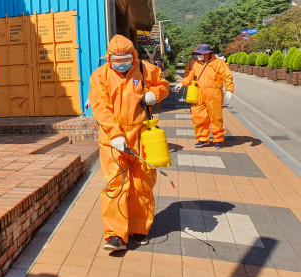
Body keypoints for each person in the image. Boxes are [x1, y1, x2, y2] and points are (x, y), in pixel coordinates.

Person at [89, 34, 170, 252]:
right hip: (111, 138)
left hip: (141, 133)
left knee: (142, 183)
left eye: (125, 58)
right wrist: (115, 134)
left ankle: (139, 228)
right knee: (116, 184)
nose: (121, 63)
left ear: (133, 56)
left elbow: (163, 84)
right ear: (109, 58)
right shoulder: (100, 76)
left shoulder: (145, 69)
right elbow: (100, 107)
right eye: (116, 59)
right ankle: (115, 235)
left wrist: (154, 93)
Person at [175, 44, 234, 149]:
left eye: (201, 53)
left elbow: (227, 76)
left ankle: (218, 139)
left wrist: (229, 89)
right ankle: (202, 139)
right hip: (199, 94)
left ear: (208, 53)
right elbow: (190, 76)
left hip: (214, 94)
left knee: (215, 117)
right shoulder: (197, 64)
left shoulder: (218, 63)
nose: (199, 55)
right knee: (198, 117)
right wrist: (182, 83)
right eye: (198, 53)